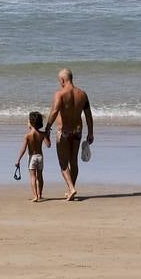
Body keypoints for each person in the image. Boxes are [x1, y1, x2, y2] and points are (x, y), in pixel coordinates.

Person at [43, 68, 95, 201]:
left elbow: (54, 112)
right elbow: (88, 115)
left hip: (64, 132)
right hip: (77, 131)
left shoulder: (59, 94)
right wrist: (90, 133)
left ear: (62, 80)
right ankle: (70, 189)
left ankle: (71, 188)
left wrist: (47, 129)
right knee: (74, 162)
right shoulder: (82, 94)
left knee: (63, 163)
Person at [16, 111, 51, 202]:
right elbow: (48, 145)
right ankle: (40, 194)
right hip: (40, 157)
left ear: (31, 123)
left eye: (28, 121)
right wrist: (47, 135)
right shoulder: (42, 134)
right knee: (40, 176)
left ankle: (35, 196)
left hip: (32, 158)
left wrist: (18, 160)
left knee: (33, 177)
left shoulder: (28, 135)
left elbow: (23, 149)